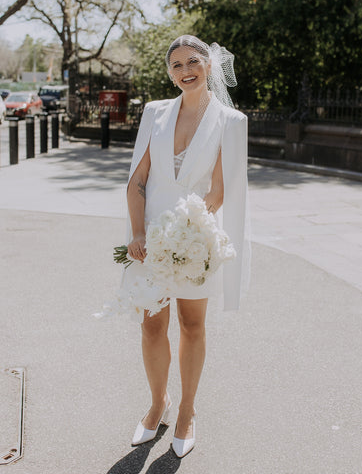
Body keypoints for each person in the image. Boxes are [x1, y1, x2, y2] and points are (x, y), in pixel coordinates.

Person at [123, 35, 250, 458]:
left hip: (195, 236)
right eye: (175, 65)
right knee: (151, 325)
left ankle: (187, 412)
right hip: (150, 235)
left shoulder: (231, 122)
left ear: (209, 65)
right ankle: (158, 403)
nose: (184, 70)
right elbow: (137, 180)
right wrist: (141, 234)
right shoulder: (154, 113)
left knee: (193, 325)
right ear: (169, 72)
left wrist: (187, 231)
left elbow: (220, 191)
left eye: (192, 61)